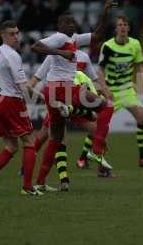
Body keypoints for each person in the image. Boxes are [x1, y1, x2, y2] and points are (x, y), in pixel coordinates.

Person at [30, 0, 117, 183]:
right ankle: (96, 151)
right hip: (63, 89)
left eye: (73, 22)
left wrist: (106, 12)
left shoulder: (74, 39)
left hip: (54, 90)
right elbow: (35, 46)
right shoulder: (60, 38)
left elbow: (98, 34)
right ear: (60, 26)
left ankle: (39, 183)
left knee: (55, 139)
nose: (72, 24)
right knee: (107, 106)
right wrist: (61, 53)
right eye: (68, 22)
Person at [24, 50, 114, 193]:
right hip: (60, 102)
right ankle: (34, 169)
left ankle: (55, 180)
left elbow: (93, 113)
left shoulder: (82, 76)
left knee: (57, 139)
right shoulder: (55, 61)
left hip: (66, 104)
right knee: (49, 138)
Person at [0, 20, 42, 196]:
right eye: (12, 34)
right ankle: (27, 187)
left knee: (11, 146)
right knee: (29, 141)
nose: (16, 37)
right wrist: (44, 98)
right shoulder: (13, 55)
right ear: (3, 35)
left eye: (17, 33)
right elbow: (22, 87)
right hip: (11, 101)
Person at [98, 15, 143, 168]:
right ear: (116, 29)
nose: (122, 27)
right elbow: (100, 70)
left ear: (128, 28)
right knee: (99, 125)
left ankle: (142, 159)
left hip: (127, 90)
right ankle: (85, 156)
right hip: (112, 92)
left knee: (142, 119)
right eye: (120, 25)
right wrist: (105, 89)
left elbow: (139, 67)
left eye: (125, 24)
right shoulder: (108, 46)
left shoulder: (135, 44)